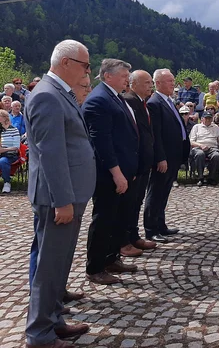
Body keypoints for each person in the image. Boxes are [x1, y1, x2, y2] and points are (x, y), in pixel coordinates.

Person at [25, 40, 95, 348]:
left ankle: (53, 321)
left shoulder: (56, 94)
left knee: (59, 263)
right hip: (58, 199)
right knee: (50, 267)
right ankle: (39, 335)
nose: (87, 72)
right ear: (65, 63)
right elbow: (50, 153)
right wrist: (63, 200)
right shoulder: (47, 97)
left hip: (69, 194)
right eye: (85, 65)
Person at [83, 59, 140, 285]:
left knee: (117, 218)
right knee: (104, 219)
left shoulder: (113, 97)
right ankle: (95, 267)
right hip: (107, 174)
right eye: (124, 75)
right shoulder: (99, 100)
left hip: (122, 170)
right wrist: (117, 173)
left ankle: (111, 258)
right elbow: (102, 142)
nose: (128, 79)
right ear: (108, 76)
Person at [145, 68, 187, 243]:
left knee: (164, 193)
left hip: (173, 156)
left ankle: (161, 225)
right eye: (169, 81)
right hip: (164, 158)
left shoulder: (168, 101)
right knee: (156, 193)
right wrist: (160, 158)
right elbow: (156, 134)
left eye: (173, 80)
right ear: (158, 83)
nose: (173, 84)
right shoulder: (155, 103)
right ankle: (151, 229)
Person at [121, 70, 158, 253]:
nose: (150, 86)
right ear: (133, 84)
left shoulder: (142, 102)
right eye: (146, 83)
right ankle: (124, 241)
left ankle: (134, 236)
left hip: (143, 163)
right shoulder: (129, 101)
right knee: (128, 203)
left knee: (137, 202)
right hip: (134, 164)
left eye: (151, 82)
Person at [189, 111, 219, 186]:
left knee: (216, 156)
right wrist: (201, 146)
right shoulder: (196, 127)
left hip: (212, 148)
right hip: (199, 148)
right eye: (206, 118)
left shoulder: (215, 127)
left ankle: (212, 178)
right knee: (200, 154)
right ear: (202, 119)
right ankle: (200, 178)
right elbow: (191, 142)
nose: (208, 120)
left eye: (209, 118)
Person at [0, 109, 21, 193]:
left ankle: (7, 182)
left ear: (5, 118)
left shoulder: (14, 130)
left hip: (10, 154)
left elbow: (16, 146)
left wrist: (3, 150)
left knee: (3, 161)